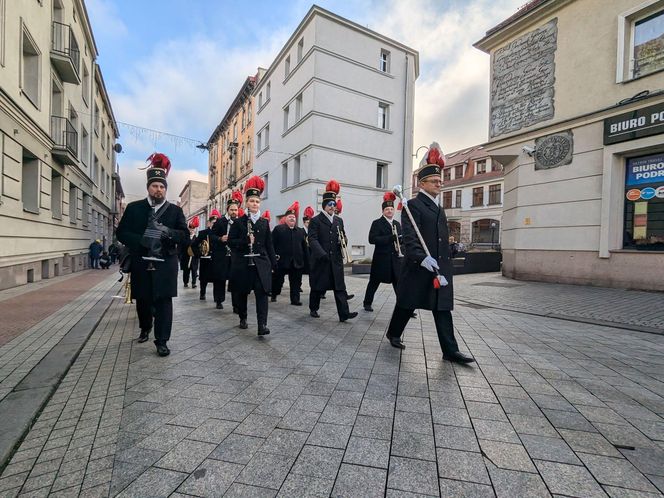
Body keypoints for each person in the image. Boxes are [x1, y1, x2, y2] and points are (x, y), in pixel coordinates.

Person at [385, 143, 474, 364]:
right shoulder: (412, 206)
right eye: (434, 181)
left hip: (439, 266)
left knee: (442, 308)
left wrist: (451, 250)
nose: (439, 183)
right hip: (419, 266)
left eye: (440, 180)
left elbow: (441, 238)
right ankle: (394, 333)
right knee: (407, 303)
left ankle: (450, 350)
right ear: (422, 183)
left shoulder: (440, 209)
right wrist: (421, 257)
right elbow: (409, 237)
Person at [116, 153, 187, 356]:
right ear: (149, 187)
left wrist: (168, 233)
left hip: (166, 262)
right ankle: (145, 327)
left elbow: (184, 236)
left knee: (164, 301)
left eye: (162, 186)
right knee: (144, 300)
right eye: (155, 186)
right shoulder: (134, 208)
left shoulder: (174, 211)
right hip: (142, 261)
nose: (159, 190)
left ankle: (162, 340)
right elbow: (121, 232)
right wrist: (142, 240)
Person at [228, 176, 276, 335]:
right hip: (243, 264)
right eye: (252, 201)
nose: (255, 204)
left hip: (261, 263)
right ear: (247, 203)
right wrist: (244, 241)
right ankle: (243, 317)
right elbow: (231, 242)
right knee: (242, 292)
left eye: (257, 201)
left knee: (262, 294)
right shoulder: (238, 222)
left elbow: (269, 245)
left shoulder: (264, 222)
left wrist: (274, 266)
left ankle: (262, 325)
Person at [308, 180, 357, 322]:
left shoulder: (338, 221)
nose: (332, 207)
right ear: (324, 205)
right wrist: (321, 253)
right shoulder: (316, 220)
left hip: (335, 259)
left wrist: (343, 242)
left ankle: (344, 314)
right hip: (321, 260)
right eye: (329, 204)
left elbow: (344, 236)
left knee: (339, 287)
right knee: (317, 287)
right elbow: (312, 239)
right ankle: (313, 308)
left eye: (334, 204)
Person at [363, 192, 404, 312]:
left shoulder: (397, 224)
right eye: (387, 209)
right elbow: (372, 239)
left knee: (399, 285)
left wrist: (401, 241)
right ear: (383, 211)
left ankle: (404, 307)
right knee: (374, 283)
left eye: (391, 209)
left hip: (395, 260)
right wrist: (390, 238)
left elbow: (400, 241)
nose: (390, 211)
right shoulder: (377, 223)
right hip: (381, 260)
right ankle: (367, 303)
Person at [212, 190, 243, 313]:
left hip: (235, 256)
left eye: (236, 210)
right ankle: (219, 300)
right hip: (221, 255)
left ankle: (236, 305)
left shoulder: (240, 222)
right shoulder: (220, 221)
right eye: (232, 210)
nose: (234, 212)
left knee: (234, 280)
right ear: (227, 210)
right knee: (220, 279)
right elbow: (211, 236)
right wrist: (220, 238)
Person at [272, 201, 307, 305]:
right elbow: (272, 244)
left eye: (294, 217)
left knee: (296, 282)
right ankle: (274, 293)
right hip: (281, 261)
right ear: (285, 219)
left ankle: (295, 299)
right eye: (290, 217)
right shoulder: (278, 229)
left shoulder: (300, 231)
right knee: (278, 281)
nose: (292, 218)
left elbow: (304, 247)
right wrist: (273, 257)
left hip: (296, 262)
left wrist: (307, 261)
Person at [193, 210, 224, 307]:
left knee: (218, 280)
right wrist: (200, 254)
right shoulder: (203, 233)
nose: (214, 224)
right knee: (204, 279)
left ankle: (218, 301)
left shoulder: (220, 234)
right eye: (213, 222)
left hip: (217, 259)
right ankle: (202, 293)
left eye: (216, 222)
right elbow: (194, 245)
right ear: (209, 223)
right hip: (205, 259)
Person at [180, 217, 200, 288]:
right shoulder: (185, 237)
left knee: (194, 271)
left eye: (193, 228)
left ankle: (194, 283)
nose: (191, 230)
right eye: (190, 228)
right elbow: (182, 247)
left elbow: (199, 247)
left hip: (194, 257)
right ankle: (185, 282)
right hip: (186, 256)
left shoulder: (197, 237)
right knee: (186, 271)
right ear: (188, 228)